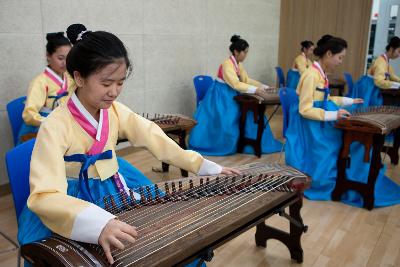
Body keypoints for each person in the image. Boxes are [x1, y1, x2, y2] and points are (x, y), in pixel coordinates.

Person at [17, 23, 240, 265]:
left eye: (120, 82)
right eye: (106, 83)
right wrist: (97, 224)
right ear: (79, 77)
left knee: (159, 241)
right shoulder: (55, 125)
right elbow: (44, 194)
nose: (114, 92)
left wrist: (205, 166)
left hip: (113, 186)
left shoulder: (114, 111)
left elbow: (153, 136)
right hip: (74, 200)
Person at [285, 35, 400, 208]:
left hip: (319, 119)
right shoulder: (311, 75)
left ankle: (356, 177)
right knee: (351, 140)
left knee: (356, 133)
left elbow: (326, 98)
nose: (340, 61)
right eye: (340, 57)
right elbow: (305, 109)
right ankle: (347, 179)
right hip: (311, 126)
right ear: (329, 54)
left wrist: (348, 101)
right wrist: (334, 115)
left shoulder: (320, 73)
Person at [189, 35, 282, 155]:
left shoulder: (238, 64)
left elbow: (246, 79)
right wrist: (255, 90)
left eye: (247, 52)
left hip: (231, 93)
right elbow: (235, 83)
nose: (246, 55)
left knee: (250, 111)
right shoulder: (226, 64)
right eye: (244, 52)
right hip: (220, 94)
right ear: (236, 52)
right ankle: (228, 144)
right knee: (230, 116)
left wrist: (264, 87)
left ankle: (250, 142)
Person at [18, 32, 75, 144]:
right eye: (60, 58)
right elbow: (29, 114)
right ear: (48, 56)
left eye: (68, 58)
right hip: (41, 131)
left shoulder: (69, 77)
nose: (65, 63)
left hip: (61, 125)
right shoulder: (40, 82)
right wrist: (49, 122)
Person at [350, 36, 400, 106]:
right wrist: (397, 85)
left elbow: (390, 74)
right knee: (365, 110)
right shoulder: (381, 61)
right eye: (399, 51)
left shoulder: (385, 60)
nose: (399, 55)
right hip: (369, 86)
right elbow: (379, 81)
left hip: (370, 85)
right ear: (391, 49)